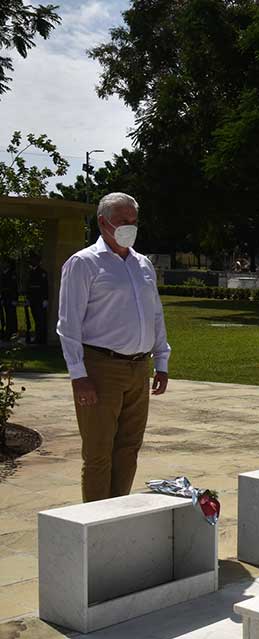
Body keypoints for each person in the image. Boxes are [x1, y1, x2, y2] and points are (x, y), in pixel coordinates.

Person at [57, 193, 171, 502]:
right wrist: (78, 375)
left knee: (129, 448)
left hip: (138, 367)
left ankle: (117, 514)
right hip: (100, 368)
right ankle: (95, 526)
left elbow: (155, 313)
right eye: (122, 221)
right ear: (102, 222)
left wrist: (161, 360)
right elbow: (68, 324)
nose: (129, 228)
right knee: (98, 453)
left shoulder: (142, 264)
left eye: (133, 222)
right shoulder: (83, 263)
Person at [27, 254, 49, 344]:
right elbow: (29, 286)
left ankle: (41, 338)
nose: (32, 262)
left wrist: (45, 299)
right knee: (36, 318)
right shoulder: (31, 272)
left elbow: (44, 287)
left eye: (34, 260)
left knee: (41, 320)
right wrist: (28, 298)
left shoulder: (42, 272)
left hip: (40, 300)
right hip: (33, 299)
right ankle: (37, 337)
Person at [0, 259, 18, 341]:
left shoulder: (11, 274)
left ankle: (11, 332)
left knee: (11, 316)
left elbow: (14, 288)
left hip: (10, 298)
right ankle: (7, 332)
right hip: (5, 298)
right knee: (6, 316)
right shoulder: (3, 273)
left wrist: (15, 299)